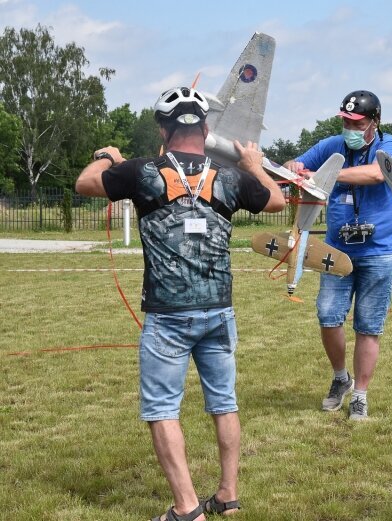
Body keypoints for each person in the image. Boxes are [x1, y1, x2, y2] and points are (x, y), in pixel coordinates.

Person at [75, 86, 285, 521]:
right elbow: (278, 200)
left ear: (164, 130)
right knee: (224, 403)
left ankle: (188, 508)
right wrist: (252, 165)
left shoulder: (142, 171)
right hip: (219, 310)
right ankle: (227, 495)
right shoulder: (230, 177)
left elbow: (84, 183)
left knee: (161, 409)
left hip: (168, 316)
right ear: (206, 129)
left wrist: (108, 155)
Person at [283, 90, 392, 421]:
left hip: (380, 250)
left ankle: (360, 396)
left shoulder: (390, 145)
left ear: (374, 123)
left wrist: (325, 174)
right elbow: (292, 168)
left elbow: (378, 174)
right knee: (328, 315)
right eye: (346, 121)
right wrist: (294, 166)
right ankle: (341, 379)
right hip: (337, 248)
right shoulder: (329, 146)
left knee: (368, 325)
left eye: (357, 122)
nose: (350, 127)